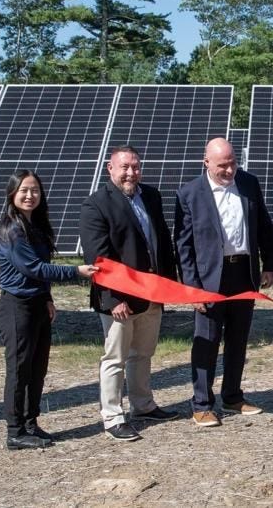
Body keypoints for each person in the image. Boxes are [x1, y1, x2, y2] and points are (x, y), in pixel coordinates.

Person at [175, 138, 273, 427]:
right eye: (223, 165)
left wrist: (269, 264)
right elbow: (183, 246)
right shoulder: (189, 194)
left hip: (243, 273)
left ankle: (232, 396)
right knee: (207, 341)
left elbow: (263, 226)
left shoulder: (248, 183)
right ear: (206, 162)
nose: (230, 170)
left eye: (233, 163)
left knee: (238, 338)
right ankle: (202, 404)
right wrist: (192, 288)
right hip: (209, 279)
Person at [79, 145, 180, 442]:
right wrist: (113, 299)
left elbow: (162, 241)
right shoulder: (96, 204)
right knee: (115, 358)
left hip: (152, 294)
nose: (131, 173)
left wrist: (168, 285)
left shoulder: (151, 196)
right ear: (110, 169)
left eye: (135, 167)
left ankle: (143, 405)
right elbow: (98, 257)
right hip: (119, 299)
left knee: (143, 354)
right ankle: (112, 416)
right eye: (124, 167)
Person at [0, 169, 97, 450]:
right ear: (12, 194)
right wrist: (76, 272)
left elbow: (40, 273)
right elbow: (35, 268)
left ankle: (30, 423)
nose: (30, 195)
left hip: (37, 303)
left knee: (37, 369)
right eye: (24, 190)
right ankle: (14, 431)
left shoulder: (35, 227)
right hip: (16, 307)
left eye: (35, 190)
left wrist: (47, 298)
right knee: (19, 370)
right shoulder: (12, 230)